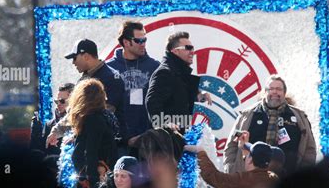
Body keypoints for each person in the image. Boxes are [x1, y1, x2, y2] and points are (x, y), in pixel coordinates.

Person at [223, 74, 316, 174]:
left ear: (284, 93)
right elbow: (232, 145)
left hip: (287, 180)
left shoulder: (299, 117)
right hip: (252, 180)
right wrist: (231, 170)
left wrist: (304, 175)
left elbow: (309, 149)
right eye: (271, 88)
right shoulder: (247, 115)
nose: (275, 91)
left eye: (279, 89)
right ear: (265, 92)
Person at [46, 39, 125, 147]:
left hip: (108, 146)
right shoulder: (83, 80)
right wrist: (56, 131)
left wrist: (77, 135)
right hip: (87, 143)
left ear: (86, 56)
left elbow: (105, 114)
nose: (73, 62)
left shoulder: (111, 77)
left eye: (74, 58)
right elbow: (74, 112)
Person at [106, 21, 160, 154]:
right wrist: (125, 138)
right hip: (118, 143)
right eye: (139, 41)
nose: (143, 44)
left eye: (144, 40)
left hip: (147, 142)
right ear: (126, 42)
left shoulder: (154, 66)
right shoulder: (108, 68)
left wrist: (198, 92)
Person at [145, 31, 211, 131]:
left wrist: (200, 94)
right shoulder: (165, 72)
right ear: (175, 51)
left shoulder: (179, 71)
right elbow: (152, 102)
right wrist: (164, 124)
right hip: (167, 139)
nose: (192, 51)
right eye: (188, 48)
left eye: (192, 48)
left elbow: (180, 95)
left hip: (178, 134)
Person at [69, 79, 118, 188]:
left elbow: (88, 152)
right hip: (99, 173)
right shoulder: (99, 118)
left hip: (96, 174)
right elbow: (91, 151)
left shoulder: (91, 118)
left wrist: (91, 183)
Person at [30, 82, 74, 155]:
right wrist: (36, 132)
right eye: (56, 101)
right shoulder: (49, 124)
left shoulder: (80, 121)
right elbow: (40, 152)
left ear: (73, 100)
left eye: (62, 101)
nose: (58, 104)